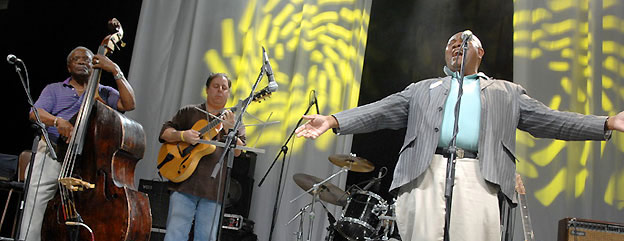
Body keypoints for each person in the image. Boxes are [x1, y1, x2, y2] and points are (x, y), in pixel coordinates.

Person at [295, 31, 624, 241]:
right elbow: (379, 111)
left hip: (479, 175)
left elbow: (553, 120)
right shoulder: (423, 89)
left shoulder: (505, 92)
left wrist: (607, 122)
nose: (456, 46)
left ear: (480, 54)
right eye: (451, 44)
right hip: (424, 171)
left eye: (465, 43)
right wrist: (333, 120)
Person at [20, 46, 136, 241]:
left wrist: (115, 70)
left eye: (88, 59)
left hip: (89, 162)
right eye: (77, 59)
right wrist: (58, 121)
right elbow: (35, 113)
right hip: (53, 152)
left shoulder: (104, 92)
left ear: (95, 65)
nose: (83, 61)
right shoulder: (55, 89)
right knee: (35, 207)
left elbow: (129, 104)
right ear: (68, 67)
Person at [159, 73, 246, 241]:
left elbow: (238, 152)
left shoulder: (235, 121)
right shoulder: (190, 112)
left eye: (224, 88)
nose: (220, 91)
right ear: (207, 90)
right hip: (183, 182)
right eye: (215, 86)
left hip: (213, 189)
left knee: (206, 237)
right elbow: (165, 133)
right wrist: (183, 135)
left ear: (228, 93)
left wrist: (229, 130)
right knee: (175, 235)